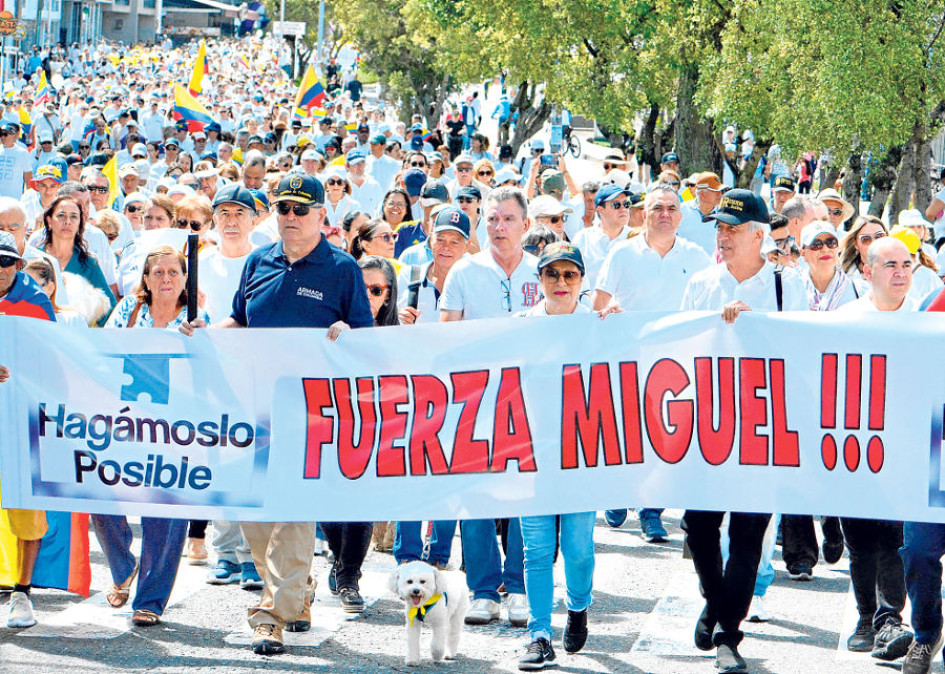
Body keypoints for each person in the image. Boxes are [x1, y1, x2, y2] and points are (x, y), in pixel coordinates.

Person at [180, 173, 374, 656]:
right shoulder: (257, 261)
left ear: (321, 216)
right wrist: (208, 332)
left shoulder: (342, 268)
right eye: (283, 208)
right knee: (256, 517)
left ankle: (270, 615)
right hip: (253, 405)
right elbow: (240, 320)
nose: (290, 217)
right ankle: (296, 591)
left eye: (300, 209)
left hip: (312, 411)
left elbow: (368, 339)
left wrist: (345, 334)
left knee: (292, 512)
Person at [680, 189, 808, 674]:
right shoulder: (702, 282)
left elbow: (803, 345)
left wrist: (763, 329)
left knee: (749, 531)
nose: (723, 236)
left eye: (733, 229)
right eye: (719, 228)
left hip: (762, 427)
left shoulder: (784, 285)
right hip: (707, 426)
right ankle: (716, 603)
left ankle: (728, 632)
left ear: (759, 235)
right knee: (699, 524)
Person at [95, 246, 210, 627]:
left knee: (166, 514)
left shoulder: (199, 318)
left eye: (173, 273)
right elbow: (100, 355)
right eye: (157, 272)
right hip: (124, 425)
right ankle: (123, 565)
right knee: (101, 494)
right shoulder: (127, 311)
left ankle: (151, 599)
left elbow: (212, 370)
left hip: (176, 431)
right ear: (145, 279)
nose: (165, 279)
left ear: (184, 280)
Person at [441, 187, 538, 628]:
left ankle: (519, 586)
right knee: (475, 495)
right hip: (475, 398)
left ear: (526, 225)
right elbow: (445, 337)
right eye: (493, 219)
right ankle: (483, 589)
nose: (499, 228)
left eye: (509, 220)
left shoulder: (545, 271)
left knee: (524, 497)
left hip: (531, 400)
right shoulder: (464, 270)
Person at [515, 242, 612, 670]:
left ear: (581, 281)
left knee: (577, 549)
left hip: (581, 457)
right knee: (536, 551)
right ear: (538, 281)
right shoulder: (518, 326)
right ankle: (538, 633)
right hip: (530, 456)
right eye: (551, 274)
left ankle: (578, 606)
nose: (560, 282)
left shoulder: (602, 326)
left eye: (569, 274)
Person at [836, 237, 915, 660]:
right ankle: (866, 617)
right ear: (867, 271)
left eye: (906, 264)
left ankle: (889, 620)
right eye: (890, 265)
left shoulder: (927, 321)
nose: (900, 272)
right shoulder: (845, 319)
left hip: (903, 448)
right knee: (860, 539)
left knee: (894, 537)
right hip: (853, 445)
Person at [0, 230, 55, 628]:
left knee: (26, 510)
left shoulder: (36, 302)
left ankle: (23, 592)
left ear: (18, 264)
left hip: (21, 420)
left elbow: (54, 358)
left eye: (6, 261)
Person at [37, 195, 115, 325]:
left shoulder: (88, 264)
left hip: (76, 337)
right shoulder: (35, 259)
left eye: (74, 216)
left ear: (80, 224)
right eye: (61, 215)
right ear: (49, 221)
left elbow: (110, 312)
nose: (67, 221)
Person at [677, 172, 726, 255]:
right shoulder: (680, 211)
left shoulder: (726, 214)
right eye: (716, 191)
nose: (720, 195)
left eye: (720, 191)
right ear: (702, 194)